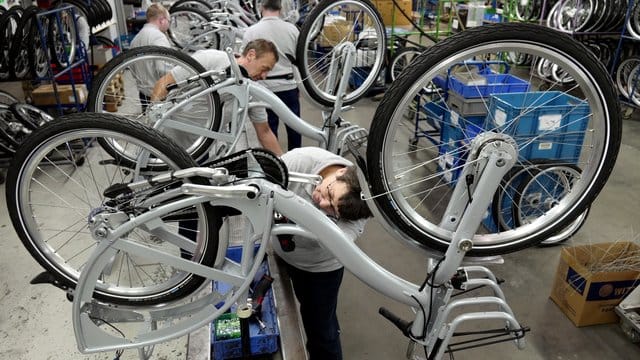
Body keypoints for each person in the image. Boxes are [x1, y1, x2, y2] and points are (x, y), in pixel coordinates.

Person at [274, 147, 372, 360]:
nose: (323, 204)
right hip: (279, 251)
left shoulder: (360, 208)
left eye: (332, 211)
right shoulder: (298, 162)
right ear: (341, 172)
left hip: (319, 270)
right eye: (329, 194)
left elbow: (340, 245)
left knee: (322, 331)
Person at [151, 39, 283, 156]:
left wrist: (284, 165)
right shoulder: (210, 59)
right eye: (264, 68)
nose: (264, 76)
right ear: (251, 55)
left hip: (199, 150)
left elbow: (264, 132)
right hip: (163, 143)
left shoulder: (252, 90)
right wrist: (151, 125)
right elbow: (163, 84)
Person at [242, 0, 302, 150]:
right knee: (295, 128)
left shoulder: (251, 31)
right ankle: (296, 161)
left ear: (261, 7)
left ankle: (274, 163)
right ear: (281, 8)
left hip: (264, 88)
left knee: (269, 130)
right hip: (288, 86)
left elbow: (245, 62)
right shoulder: (292, 30)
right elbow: (299, 59)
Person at [129, 3, 172, 111]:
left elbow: (131, 67)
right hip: (160, 93)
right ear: (162, 20)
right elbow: (163, 69)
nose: (168, 24)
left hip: (143, 94)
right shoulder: (158, 37)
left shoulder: (135, 39)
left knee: (149, 123)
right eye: (169, 21)